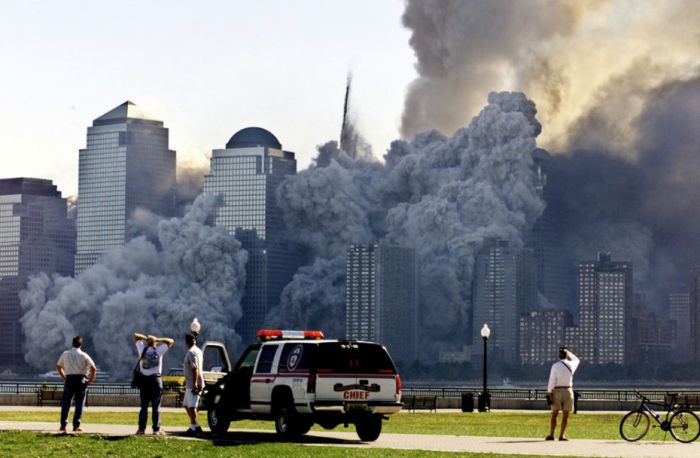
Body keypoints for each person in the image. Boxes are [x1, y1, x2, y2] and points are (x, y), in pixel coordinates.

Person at [133, 332, 173, 435]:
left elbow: (135, 336)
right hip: (155, 380)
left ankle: (141, 429)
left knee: (144, 407)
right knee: (156, 407)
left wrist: (147, 339)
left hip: (144, 381)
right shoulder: (159, 350)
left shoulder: (142, 349)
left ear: (147, 343)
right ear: (154, 343)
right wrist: (157, 339)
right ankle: (156, 429)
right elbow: (171, 341)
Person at [55, 335, 97, 433]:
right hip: (81, 380)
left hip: (69, 379)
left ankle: (63, 425)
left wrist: (63, 376)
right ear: (81, 344)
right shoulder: (84, 355)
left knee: (66, 403)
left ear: (72, 343)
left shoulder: (65, 354)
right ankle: (76, 426)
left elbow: (58, 366)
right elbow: (93, 368)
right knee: (79, 404)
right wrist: (90, 380)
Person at [546, 346, 580, 441]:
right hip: (568, 391)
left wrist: (549, 391)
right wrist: (569, 352)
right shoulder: (571, 365)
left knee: (554, 414)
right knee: (565, 416)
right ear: (566, 355)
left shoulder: (555, 366)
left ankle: (551, 435)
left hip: (556, 391)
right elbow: (577, 359)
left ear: (559, 356)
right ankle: (562, 435)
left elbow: (552, 380)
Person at [182, 333, 204, 436]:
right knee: (186, 405)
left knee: (191, 407)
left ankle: (197, 428)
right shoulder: (198, 350)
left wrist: (195, 384)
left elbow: (194, 368)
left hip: (193, 384)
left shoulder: (191, 352)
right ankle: (193, 427)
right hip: (190, 383)